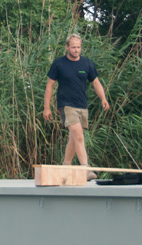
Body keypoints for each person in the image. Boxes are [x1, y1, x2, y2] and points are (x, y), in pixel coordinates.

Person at [42, 34, 110, 178]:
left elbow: (96, 83)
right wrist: (47, 107)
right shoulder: (59, 64)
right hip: (66, 105)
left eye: (78, 47)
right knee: (78, 133)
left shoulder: (87, 64)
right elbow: (50, 86)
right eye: (73, 47)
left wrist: (103, 98)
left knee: (74, 137)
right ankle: (85, 169)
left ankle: (66, 166)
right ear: (67, 47)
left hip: (82, 104)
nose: (76, 50)